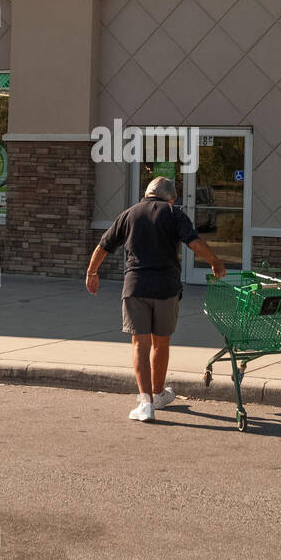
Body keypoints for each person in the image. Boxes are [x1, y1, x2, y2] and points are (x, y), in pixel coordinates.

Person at [86, 176, 226, 422]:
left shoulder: (129, 214)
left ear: (148, 194)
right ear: (170, 197)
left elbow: (103, 246)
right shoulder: (174, 213)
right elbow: (194, 243)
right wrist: (215, 262)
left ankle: (147, 402)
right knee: (161, 344)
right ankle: (158, 393)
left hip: (136, 287)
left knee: (140, 345)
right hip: (166, 288)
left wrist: (91, 272)